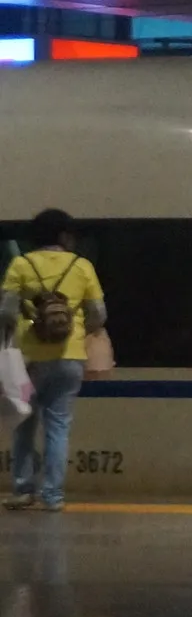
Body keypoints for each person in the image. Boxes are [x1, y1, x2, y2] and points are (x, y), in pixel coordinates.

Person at [3, 210, 106, 514]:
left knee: (23, 424)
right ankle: (53, 496)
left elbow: (6, 312)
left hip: (28, 359)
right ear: (64, 236)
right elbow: (99, 314)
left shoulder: (21, 264)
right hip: (69, 358)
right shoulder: (81, 266)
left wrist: (26, 326)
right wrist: (75, 332)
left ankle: (23, 490)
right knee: (58, 426)